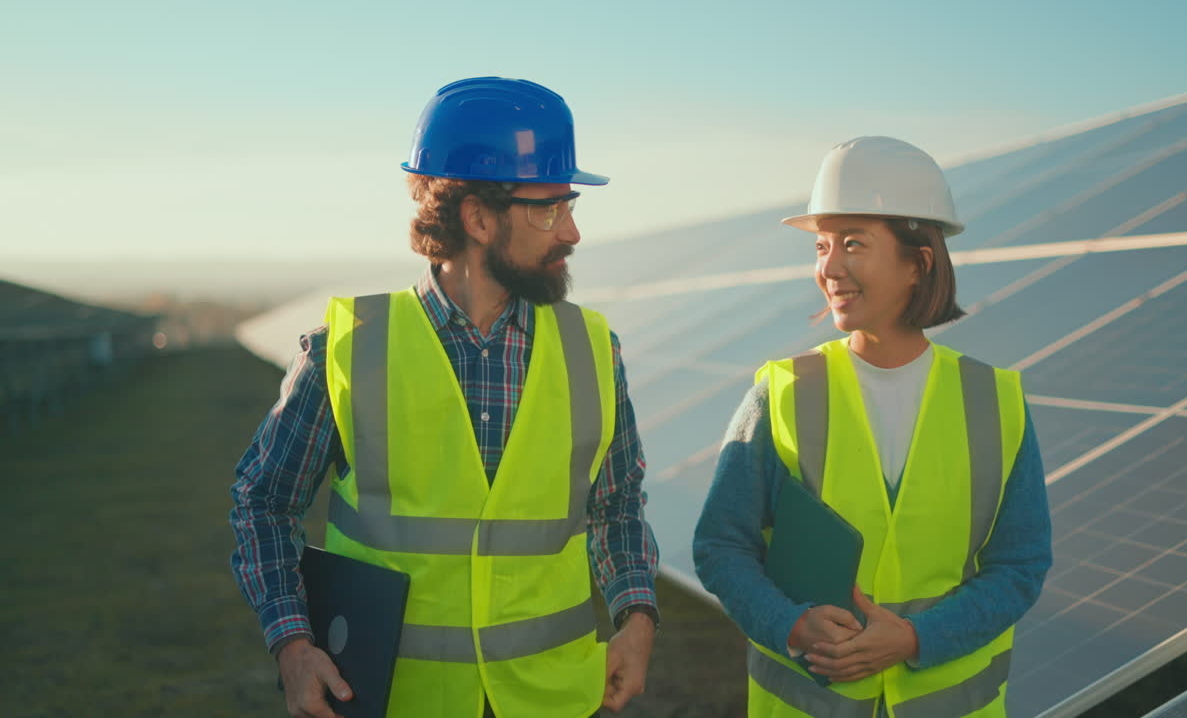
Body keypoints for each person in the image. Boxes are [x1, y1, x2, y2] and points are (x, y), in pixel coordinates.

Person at [230, 77, 659, 718]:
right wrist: (291, 643)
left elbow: (618, 505)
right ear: (478, 218)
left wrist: (637, 616)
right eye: (549, 209)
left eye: (571, 207)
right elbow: (263, 504)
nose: (570, 232)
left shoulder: (595, 349)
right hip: (394, 700)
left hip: (556, 700)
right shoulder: (346, 349)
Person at [693, 136, 1051, 717]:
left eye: (853, 244)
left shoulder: (996, 400)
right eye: (820, 246)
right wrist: (791, 625)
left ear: (918, 263)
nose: (828, 268)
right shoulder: (782, 391)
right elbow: (721, 546)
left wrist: (915, 639)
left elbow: (1019, 566)